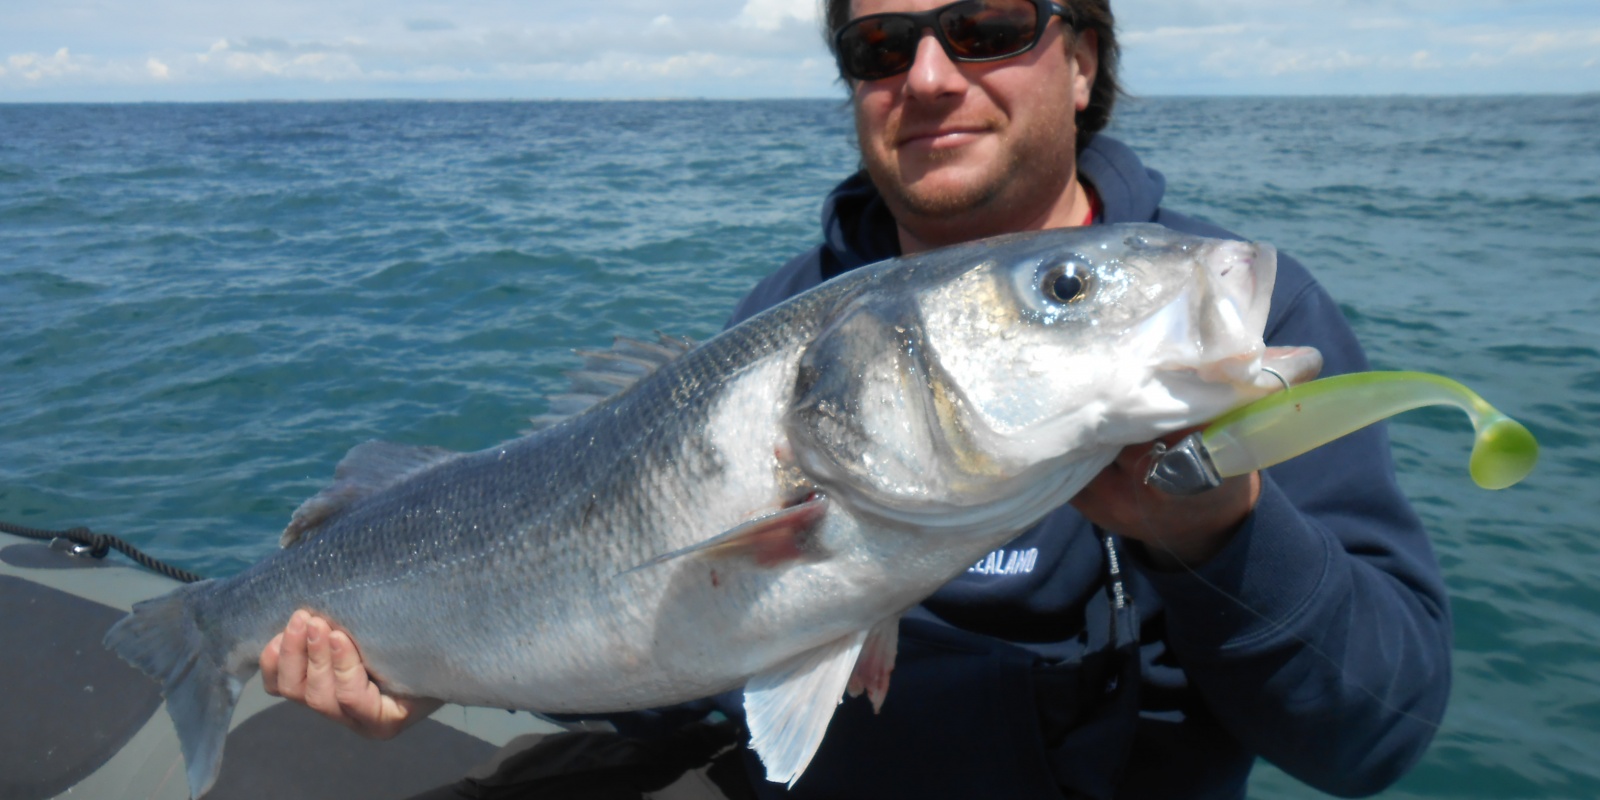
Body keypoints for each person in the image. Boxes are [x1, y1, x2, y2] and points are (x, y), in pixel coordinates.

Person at [261, 0, 1453, 797]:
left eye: (987, 26)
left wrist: (1219, 529)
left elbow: (1371, 732)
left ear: (1083, 62)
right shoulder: (779, 325)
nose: (929, 78)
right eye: (880, 49)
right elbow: (651, 638)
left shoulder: (1216, 312)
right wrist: (419, 670)